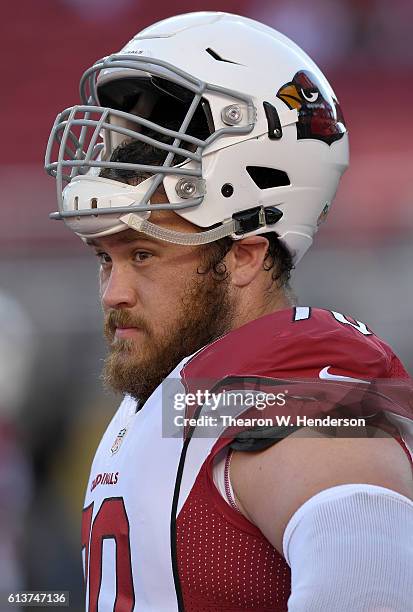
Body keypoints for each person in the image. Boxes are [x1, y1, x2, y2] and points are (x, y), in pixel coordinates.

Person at [45, 12, 413, 611]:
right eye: (106, 259)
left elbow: (369, 585)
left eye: (144, 253)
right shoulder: (181, 393)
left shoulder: (301, 387)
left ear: (245, 256)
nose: (113, 292)